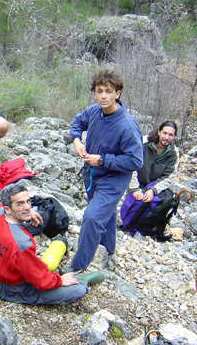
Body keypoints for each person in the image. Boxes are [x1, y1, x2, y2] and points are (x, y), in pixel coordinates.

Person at [61, 70, 144, 275]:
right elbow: (77, 122)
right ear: (95, 94)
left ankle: (78, 266)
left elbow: (136, 160)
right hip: (92, 174)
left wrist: (103, 160)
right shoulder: (94, 112)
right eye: (100, 91)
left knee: (92, 216)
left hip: (114, 179)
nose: (104, 96)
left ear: (118, 93)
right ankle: (108, 251)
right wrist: (77, 139)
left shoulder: (127, 126)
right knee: (105, 214)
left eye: (108, 91)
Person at [0, 183, 104, 305]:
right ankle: (81, 280)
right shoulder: (22, 244)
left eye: (28, 202)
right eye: (20, 204)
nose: (27, 207)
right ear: (8, 209)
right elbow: (40, 279)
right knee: (78, 290)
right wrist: (59, 280)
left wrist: (28, 214)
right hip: (13, 289)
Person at [128, 121, 179, 203]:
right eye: (164, 133)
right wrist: (134, 188)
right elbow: (131, 164)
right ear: (159, 132)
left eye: (170, 135)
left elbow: (169, 177)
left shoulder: (173, 153)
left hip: (153, 187)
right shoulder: (143, 142)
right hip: (134, 182)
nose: (166, 137)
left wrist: (154, 190)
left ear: (174, 136)